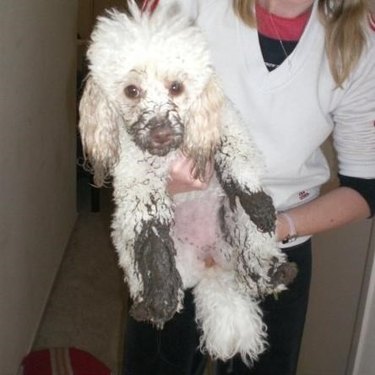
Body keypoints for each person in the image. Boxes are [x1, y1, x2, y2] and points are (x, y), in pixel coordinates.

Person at [123, 0, 375, 374]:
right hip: (177, 240)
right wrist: (161, 179)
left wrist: (274, 228)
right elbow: (121, 107)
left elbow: (365, 188)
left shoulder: (361, 43)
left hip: (275, 249)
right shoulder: (191, 6)